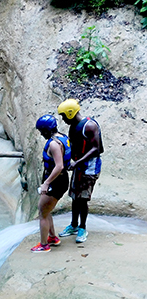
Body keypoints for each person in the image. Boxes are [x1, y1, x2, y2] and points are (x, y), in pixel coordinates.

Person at [57, 99, 104, 243]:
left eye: (64, 116)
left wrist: (77, 162)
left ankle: (83, 227)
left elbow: (97, 149)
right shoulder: (73, 126)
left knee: (83, 198)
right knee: (75, 196)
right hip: (79, 166)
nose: (63, 119)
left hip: (89, 167)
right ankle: (73, 225)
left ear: (70, 114)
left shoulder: (89, 126)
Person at [31, 115, 71, 253]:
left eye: (42, 131)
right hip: (60, 179)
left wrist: (46, 183)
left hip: (56, 181)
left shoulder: (54, 144)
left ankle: (44, 245)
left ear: (47, 130)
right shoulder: (62, 137)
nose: (41, 134)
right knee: (46, 210)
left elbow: (59, 166)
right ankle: (53, 237)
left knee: (42, 212)